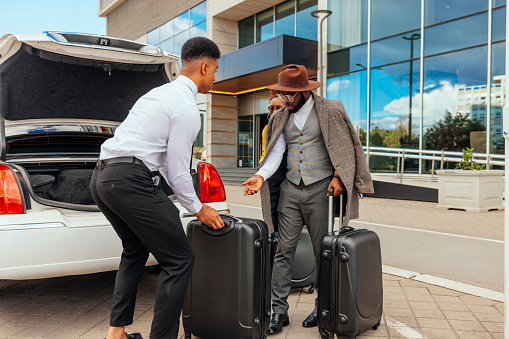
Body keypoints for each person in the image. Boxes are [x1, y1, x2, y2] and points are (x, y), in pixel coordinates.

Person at [90, 37, 225, 339]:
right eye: (215, 70)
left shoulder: (157, 94)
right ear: (204, 66)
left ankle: (117, 332)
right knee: (180, 259)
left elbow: (159, 159)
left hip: (101, 178)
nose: (215, 77)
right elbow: (177, 171)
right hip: (128, 180)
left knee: (135, 248)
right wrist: (199, 208)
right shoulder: (187, 108)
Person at [243, 64, 373, 334]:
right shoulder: (280, 116)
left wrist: (338, 175)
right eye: (283, 94)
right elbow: (276, 152)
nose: (286, 99)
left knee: (322, 253)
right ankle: (278, 312)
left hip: (321, 189)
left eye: (290, 95)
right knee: (282, 251)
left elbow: (346, 146)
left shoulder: (330, 109)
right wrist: (260, 176)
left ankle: (323, 309)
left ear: (303, 91)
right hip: (290, 189)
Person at [259, 95, 285, 232]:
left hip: (286, 175)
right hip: (271, 176)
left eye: (278, 108)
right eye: (271, 108)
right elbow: (266, 149)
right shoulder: (266, 129)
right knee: (271, 210)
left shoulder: (289, 127)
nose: (274, 111)